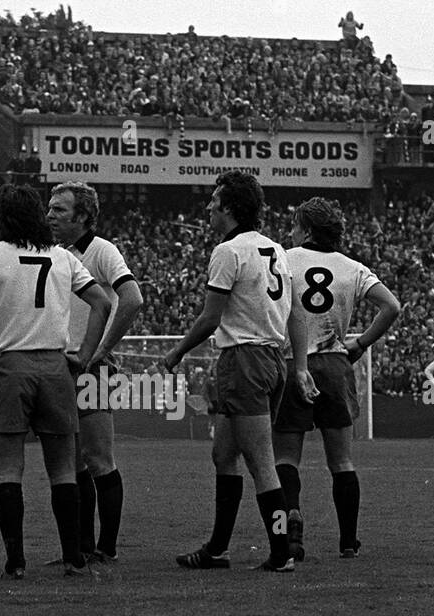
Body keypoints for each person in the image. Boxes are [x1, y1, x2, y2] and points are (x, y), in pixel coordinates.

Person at [0, 184, 112, 579]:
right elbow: (102, 303)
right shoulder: (61, 257)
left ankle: (15, 561)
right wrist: (84, 357)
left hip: (8, 369)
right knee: (63, 471)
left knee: (8, 470)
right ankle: (74, 558)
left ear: (2, 218)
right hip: (56, 368)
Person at [164, 171, 317, 573]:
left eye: (215, 199)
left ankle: (282, 551)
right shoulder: (276, 251)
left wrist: (177, 352)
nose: (209, 206)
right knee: (224, 454)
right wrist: (298, 366)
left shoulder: (228, 251)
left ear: (230, 207)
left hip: (244, 360)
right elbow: (296, 314)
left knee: (261, 462)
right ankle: (216, 550)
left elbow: (211, 318)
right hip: (271, 359)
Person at [271, 198, 400, 561]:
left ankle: (290, 527)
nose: (291, 232)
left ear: (307, 230)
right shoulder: (352, 267)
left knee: (285, 458)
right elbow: (392, 306)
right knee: (341, 461)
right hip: (335, 365)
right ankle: (348, 542)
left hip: (292, 361)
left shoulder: (284, 258)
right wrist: (360, 342)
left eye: (296, 225)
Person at [46, 181, 144, 562]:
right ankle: (82, 549)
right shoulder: (54, 254)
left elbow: (133, 298)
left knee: (99, 457)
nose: (50, 215)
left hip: (92, 368)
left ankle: (107, 548)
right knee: (73, 462)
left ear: (83, 217)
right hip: (62, 366)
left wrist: (101, 351)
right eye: (50, 208)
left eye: (59, 210)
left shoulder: (102, 251)